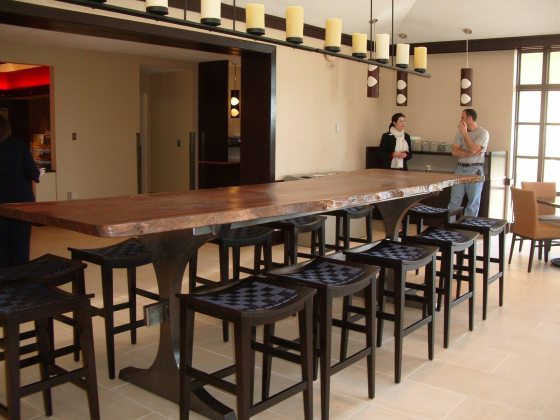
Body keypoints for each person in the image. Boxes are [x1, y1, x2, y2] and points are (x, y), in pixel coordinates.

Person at [0, 115, 42, 268]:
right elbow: (33, 173)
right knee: (20, 244)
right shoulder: (19, 146)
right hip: (21, 202)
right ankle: (20, 280)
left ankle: (3, 281)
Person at [448, 108, 489, 216]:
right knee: (454, 200)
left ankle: (468, 229)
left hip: (475, 170)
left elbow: (474, 149)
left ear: (470, 119)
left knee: (473, 203)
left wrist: (465, 134)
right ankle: (449, 226)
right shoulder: (459, 133)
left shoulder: (483, 133)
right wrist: (471, 153)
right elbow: (454, 152)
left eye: (463, 118)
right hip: (460, 169)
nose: (460, 120)